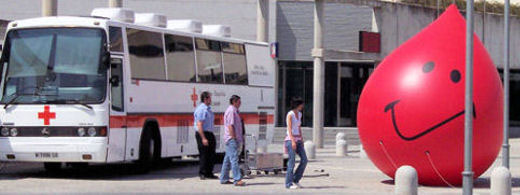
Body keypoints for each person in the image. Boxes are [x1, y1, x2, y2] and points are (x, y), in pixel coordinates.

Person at [220, 95, 246, 186]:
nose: (240, 103)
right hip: (232, 139)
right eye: (239, 102)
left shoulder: (234, 111)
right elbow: (230, 125)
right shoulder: (231, 111)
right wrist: (234, 137)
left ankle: (224, 178)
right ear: (234, 102)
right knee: (234, 159)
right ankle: (237, 179)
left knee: (227, 159)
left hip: (231, 138)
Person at [284, 97, 308, 189]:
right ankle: (288, 183)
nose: (302, 106)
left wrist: (301, 138)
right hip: (291, 139)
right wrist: (292, 140)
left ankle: (296, 179)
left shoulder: (300, 114)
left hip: (298, 139)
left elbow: (298, 127)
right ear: (297, 105)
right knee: (292, 162)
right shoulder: (290, 114)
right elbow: (289, 128)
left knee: (304, 160)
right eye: (301, 104)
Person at [193, 91, 217, 180]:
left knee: (211, 153)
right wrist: (203, 138)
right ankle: (202, 173)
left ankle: (209, 172)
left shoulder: (208, 109)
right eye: (210, 98)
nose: (211, 99)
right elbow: (199, 124)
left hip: (209, 133)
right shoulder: (202, 109)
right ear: (205, 99)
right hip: (202, 133)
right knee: (204, 154)